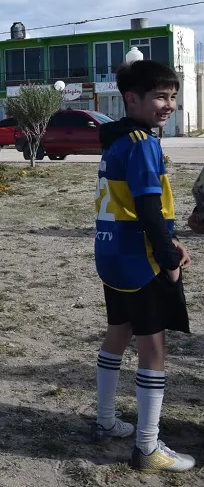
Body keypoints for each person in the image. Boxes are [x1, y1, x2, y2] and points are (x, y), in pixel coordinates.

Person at [92, 59, 194, 473]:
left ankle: (104, 422)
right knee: (153, 348)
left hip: (111, 255)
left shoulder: (116, 139)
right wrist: (169, 258)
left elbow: (131, 207)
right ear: (131, 99)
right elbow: (149, 211)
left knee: (118, 333)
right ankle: (148, 448)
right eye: (159, 97)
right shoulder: (142, 143)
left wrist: (169, 237)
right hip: (141, 261)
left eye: (172, 96)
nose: (168, 104)